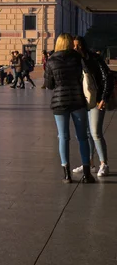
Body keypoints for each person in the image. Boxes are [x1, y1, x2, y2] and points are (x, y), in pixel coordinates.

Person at [45, 33, 95, 183]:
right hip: (77, 100)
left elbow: (49, 85)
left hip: (59, 102)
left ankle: (67, 174)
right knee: (82, 137)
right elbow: (85, 75)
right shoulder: (77, 58)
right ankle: (87, 173)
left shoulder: (51, 60)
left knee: (63, 137)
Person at [74, 36, 112, 177]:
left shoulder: (94, 59)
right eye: (74, 46)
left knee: (95, 132)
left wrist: (104, 98)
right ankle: (90, 164)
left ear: (83, 46)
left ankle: (104, 163)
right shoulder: (75, 61)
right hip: (83, 101)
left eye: (78, 46)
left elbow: (106, 77)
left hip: (96, 100)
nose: (76, 48)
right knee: (87, 133)